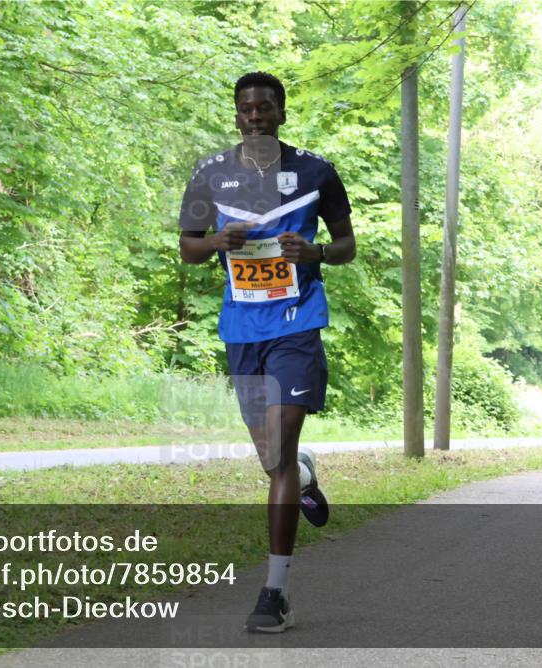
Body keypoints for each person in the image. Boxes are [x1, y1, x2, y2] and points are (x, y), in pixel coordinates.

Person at [179, 71, 355, 633]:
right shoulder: (210, 173)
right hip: (241, 326)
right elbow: (188, 250)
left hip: (296, 322)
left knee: (277, 445)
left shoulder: (316, 172)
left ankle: (275, 593)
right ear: (237, 116)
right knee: (272, 457)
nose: (255, 115)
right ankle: (301, 474)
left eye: (264, 107)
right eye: (246, 108)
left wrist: (316, 253)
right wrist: (215, 241)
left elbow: (347, 246)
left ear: (281, 112)